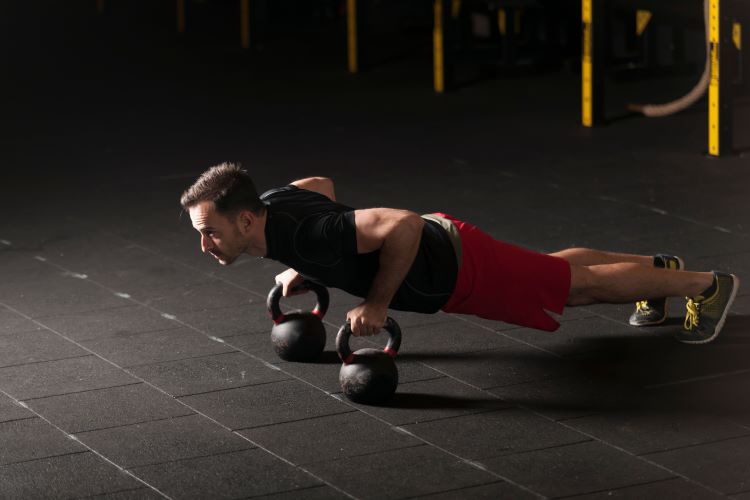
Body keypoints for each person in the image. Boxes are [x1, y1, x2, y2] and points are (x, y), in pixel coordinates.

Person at [180, 163, 739, 343]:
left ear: (247, 218)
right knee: (549, 268)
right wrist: (304, 267)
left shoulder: (304, 236)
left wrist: (377, 303)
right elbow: (320, 186)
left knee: (572, 287)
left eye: (211, 231)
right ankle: (659, 272)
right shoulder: (276, 209)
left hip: (452, 265)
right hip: (451, 241)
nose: (205, 245)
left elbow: (398, 223)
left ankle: (704, 286)